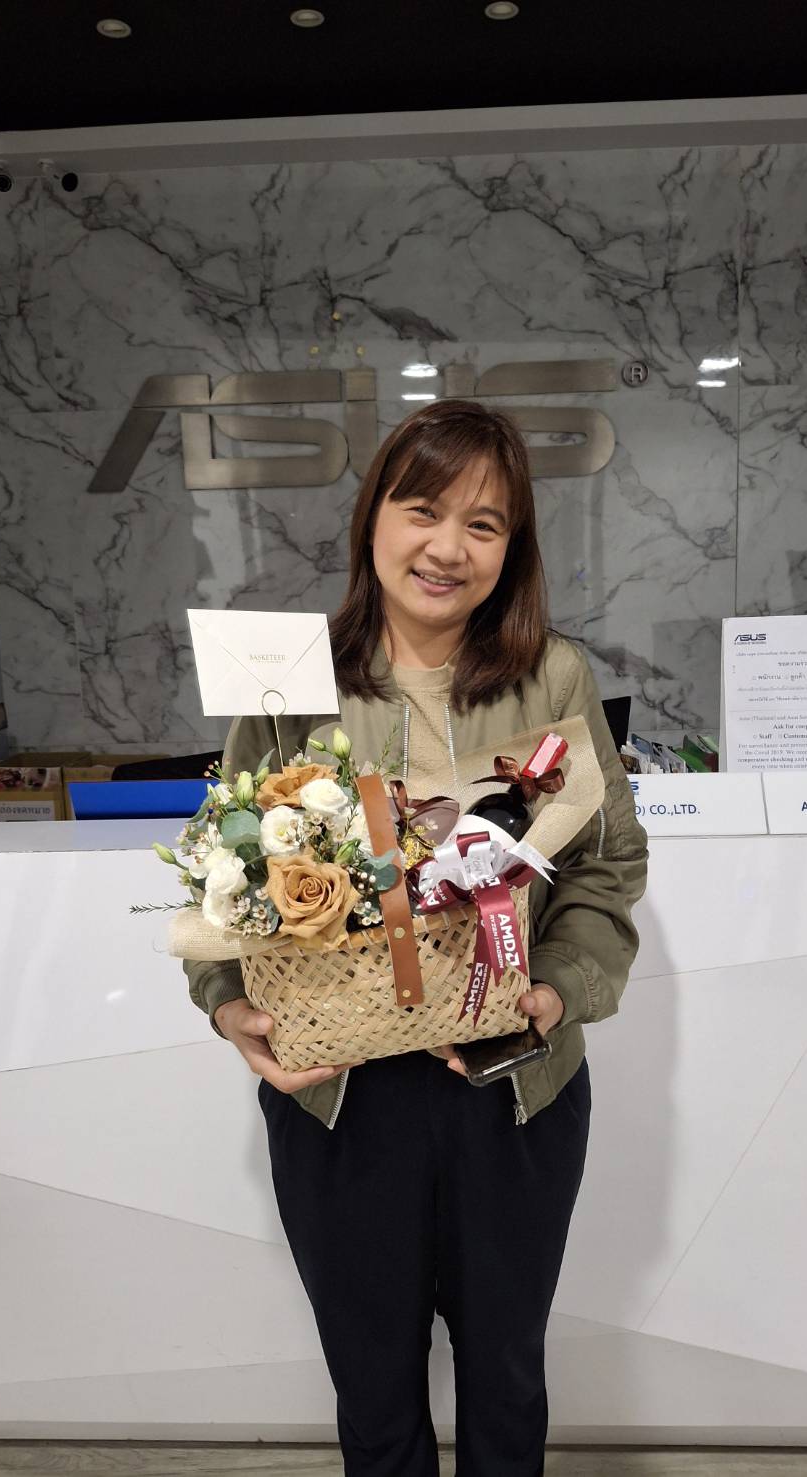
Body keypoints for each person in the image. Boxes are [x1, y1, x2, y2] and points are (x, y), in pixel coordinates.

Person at [184, 399, 649, 1476]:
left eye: (485, 524)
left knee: (506, 1381)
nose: (448, 547)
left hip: (513, 1085)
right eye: (424, 508)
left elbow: (605, 864)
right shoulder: (293, 679)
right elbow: (224, 863)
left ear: (513, 547)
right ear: (373, 520)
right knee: (373, 1389)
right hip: (341, 1090)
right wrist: (228, 1006)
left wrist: (555, 993)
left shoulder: (557, 678)